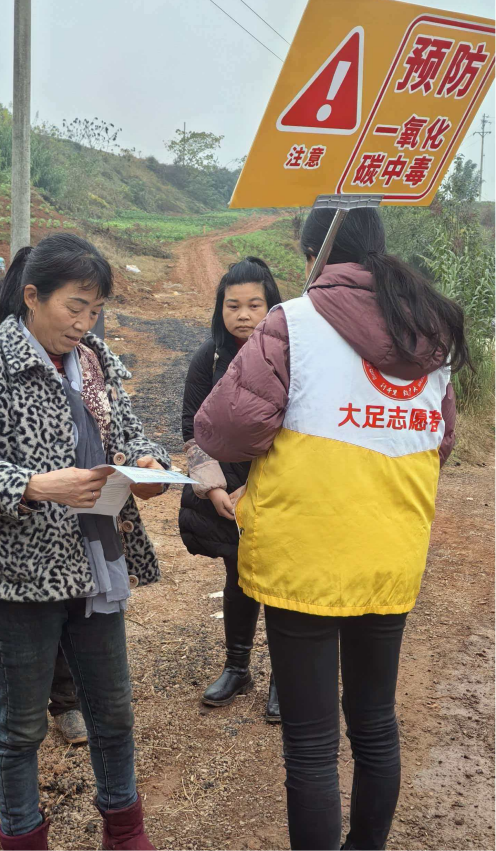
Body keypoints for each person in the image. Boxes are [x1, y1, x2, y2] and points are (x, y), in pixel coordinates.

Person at [194, 207, 467, 851]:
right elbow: (442, 440)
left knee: (312, 743)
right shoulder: (435, 330)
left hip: (305, 552)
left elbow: (228, 429)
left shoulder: (292, 322)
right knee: (375, 723)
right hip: (390, 554)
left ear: (312, 248)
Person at [0, 233, 170, 851]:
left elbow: (130, 433)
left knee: (114, 713)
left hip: (95, 561)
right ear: (32, 296)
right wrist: (35, 484)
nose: (84, 321)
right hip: (18, 575)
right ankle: (22, 836)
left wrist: (147, 464)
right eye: (75, 306)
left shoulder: (94, 361)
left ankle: (124, 833)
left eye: (95, 309)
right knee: (20, 728)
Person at [0, 282, 87, 747]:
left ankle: (65, 702)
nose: (81, 319)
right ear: (28, 296)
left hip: (61, 525)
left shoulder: (79, 353)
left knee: (65, 612)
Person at [179, 257, 282, 721]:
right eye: (232, 305)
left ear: (272, 306)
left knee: (284, 584)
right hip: (227, 492)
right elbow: (191, 428)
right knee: (239, 576)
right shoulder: (210, 358)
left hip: (279, 487)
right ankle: (237, 667)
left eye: (254, 304)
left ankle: (287, 677)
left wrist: (261, 488)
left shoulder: (292, 356)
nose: (242, 314)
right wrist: (214, 488)